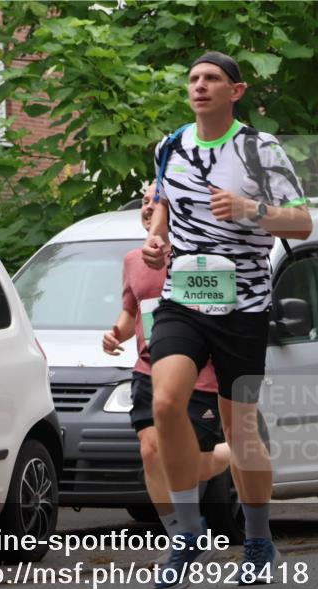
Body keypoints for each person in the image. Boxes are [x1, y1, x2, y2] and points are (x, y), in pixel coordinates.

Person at [143, 51, 312, 589]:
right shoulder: (170, 146)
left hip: (244, 304)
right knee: (165, 402)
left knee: (240, 431)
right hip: (183, 296)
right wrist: (154, 239)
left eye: (212, 78)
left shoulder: (260, 150)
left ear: (235, 91)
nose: (199, 86)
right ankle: (188, 533)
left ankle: (259, 539)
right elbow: (163, 203)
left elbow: (303, 222)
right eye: (193, 78)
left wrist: (248, 209)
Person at [102, 184, 231, 561]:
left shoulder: (201, 256)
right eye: (144, 202)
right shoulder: (131, 260)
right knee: (151, 451)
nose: (148, 208)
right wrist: (115, 333)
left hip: (198, 372)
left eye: (157, 201)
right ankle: (180, 537)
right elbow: (131, 310)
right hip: (148, 368)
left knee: (191, 463)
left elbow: (224, 311)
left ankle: (236, 451)